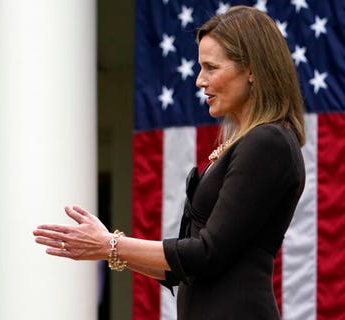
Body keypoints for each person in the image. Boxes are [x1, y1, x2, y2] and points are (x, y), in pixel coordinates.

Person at [33, 6, 306, 319]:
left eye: (211, 67)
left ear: (252, 70)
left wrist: (111, 243)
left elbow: (206, 253)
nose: (199, 81)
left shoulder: (267, 142)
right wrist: (104, 248)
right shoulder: (249, 143)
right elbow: (182, 269)